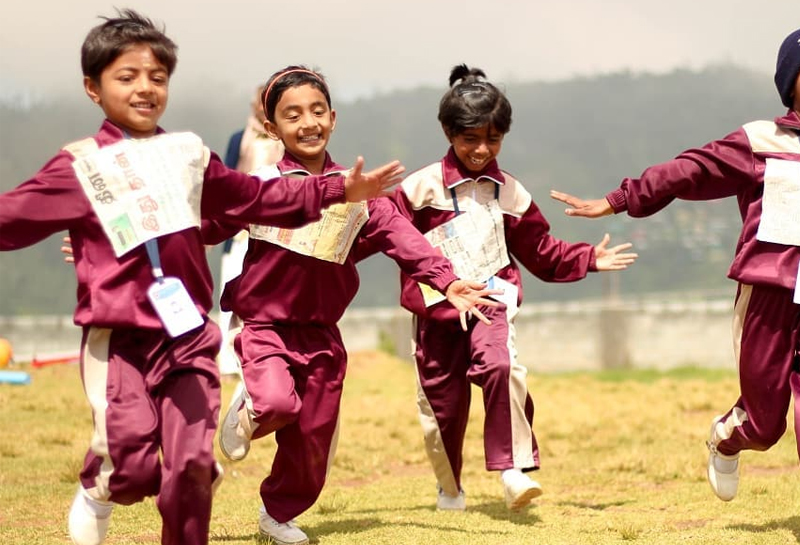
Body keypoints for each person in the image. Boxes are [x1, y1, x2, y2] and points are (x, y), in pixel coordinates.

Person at [0, 11, 404, 545]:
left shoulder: (187, 154)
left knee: (193, 468)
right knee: (131, 466)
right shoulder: (80, 165)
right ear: (93, 88)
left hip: (188, 335)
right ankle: (100, 487)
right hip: (121, 338)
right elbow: (9, 219)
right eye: (126, 77)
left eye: (157, 77)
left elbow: (255, 198)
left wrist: (335, 191)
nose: (145, 88)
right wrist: (95, 239)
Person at [211, 65, 501, 545]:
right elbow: (205, 226)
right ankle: (254, 407)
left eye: (317, 111)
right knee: (278, 402)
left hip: (322, 335)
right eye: (292, 115)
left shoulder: (360, 193)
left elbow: (403, 238)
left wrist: (447, 282)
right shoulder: (260, 186)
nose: (308, 123)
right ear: (272, 127)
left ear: (333, 118)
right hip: (264, 327)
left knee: (314, 437)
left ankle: (277, 513)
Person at [550, 28, 800, 503]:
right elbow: (689, 170)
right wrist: (619, 199)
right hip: (768, 292)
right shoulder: (761, 140)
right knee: (765, 424)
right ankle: (726, 437)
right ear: (792, 82)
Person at [389, 64, 638, 512]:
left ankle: (512, 470)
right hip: (437, 309)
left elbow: (540, 250)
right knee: (441, 407)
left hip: (491, 301)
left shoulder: (511, 194)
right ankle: (450, 489)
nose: (482, 150)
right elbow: (387, 235)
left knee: (502, 367)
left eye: (493, 139)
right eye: (470, 139)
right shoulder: (418, 189)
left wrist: (588, 259)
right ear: (448, 132)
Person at [217, 86, 285, 375]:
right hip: (239, 231)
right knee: (231, 293)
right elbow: (227, 178)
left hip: (276, 229)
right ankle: (228, 361)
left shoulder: (284, 139)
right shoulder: (240, 138)